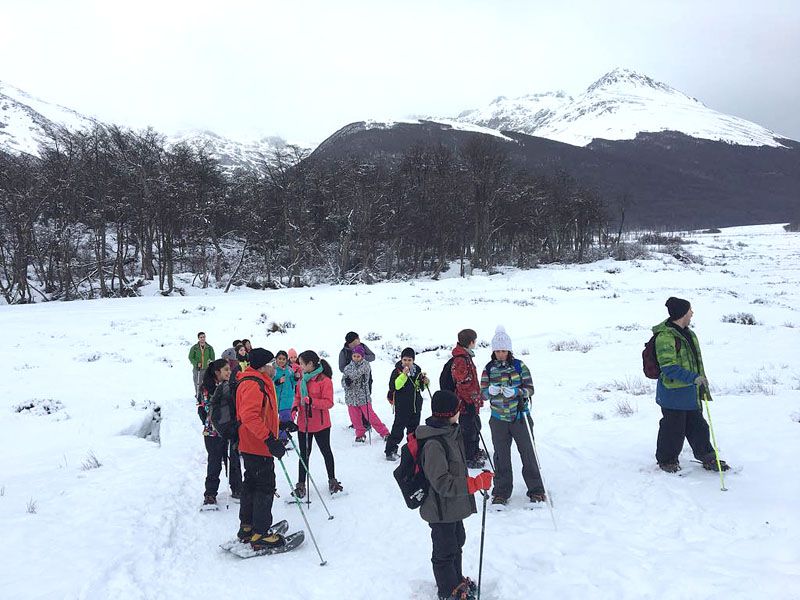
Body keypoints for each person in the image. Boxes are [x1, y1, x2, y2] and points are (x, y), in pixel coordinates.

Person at [417, 390, 493, 600]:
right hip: (439, 509)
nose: (460, 412)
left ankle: (456, 581)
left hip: (452, 506)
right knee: (444, 551)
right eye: (457, 409)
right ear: (449, 413)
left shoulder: (450, 432)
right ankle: (447, 591)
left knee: (457, 541)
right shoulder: (434, 444)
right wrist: (475, 484)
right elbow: (442, 483)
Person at [653, 297, 730, 473]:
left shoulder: (689, 333)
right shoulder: (665, 337)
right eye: (690, 310)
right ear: (682, 313)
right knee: (673, 429)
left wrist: (699, 382)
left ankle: (708, 457)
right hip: (673, 394)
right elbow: (669, 368)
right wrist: (694, 378)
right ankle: (667, 460)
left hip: (691, 392)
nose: (692, 313)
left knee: (699, 427)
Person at [480, 326, 545, 505]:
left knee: (528, 454)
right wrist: (489, 391)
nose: (501, 354)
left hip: (520, 417)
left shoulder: (519, 366)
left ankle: (537, 490)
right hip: (498, 418)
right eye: (498, 351)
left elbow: (530, 389)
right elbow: (482, 394)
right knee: (501, 456)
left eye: (504, 350)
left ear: (509, 350)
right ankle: (501, 492)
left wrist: (517, 392)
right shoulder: (489, 369)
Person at [235, 347, 287, 550]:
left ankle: (247, 527)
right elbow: (249, 416)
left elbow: (262, 413)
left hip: (253, 443)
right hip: (257, 444)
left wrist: (280, 425)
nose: (274, 367)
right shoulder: (254, 384)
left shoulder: (257, 381)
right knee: (264, 487)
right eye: (271, 364)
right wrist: (269, 439)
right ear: (262, 367)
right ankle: (260, 533)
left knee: (251, 485)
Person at [292, 350, 343, 496]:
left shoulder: (324, 380)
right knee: (304, 455)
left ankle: (332, 480)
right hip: (304, 424)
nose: (300, 367)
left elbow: (329, 403)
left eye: (302, 364)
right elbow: (297, 397)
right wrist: (294, 408)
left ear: (310, 364)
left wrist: (312, 401)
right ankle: (301, 484)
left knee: (326, 451)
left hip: (321, 424)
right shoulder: (302, 380)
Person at [197, 358, 240, 505]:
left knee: (233, 460)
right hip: (213, 432)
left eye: (229, 369)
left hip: (230, 429)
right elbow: (207, 407)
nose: (229, 372)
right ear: (217, 372)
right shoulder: (206, 388)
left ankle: (237, 488)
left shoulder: (231, 385)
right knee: (214, 462)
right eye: (226, 370)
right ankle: (210, 493)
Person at [385, 347, 429, 461]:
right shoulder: (397, 371)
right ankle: (390, 450)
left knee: (413, 430)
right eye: (404, 360)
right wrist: (404, 375)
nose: (407, 362)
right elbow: (395, 386)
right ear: (401, 360)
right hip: (402, 406)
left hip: (415, 406)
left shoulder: (417, 370)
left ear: (413, 360)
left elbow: (421, 387)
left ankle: (412, 449)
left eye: (409, 360)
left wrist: (425, 382)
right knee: (398, 429)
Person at [451, 329, 484, 469]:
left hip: (471, 401)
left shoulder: (466, 356)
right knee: (468, 430)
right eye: (474, 341)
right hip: (465, 403)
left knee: (476, 426)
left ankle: (475, 451)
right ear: (471, 342)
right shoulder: (461, 359)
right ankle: (468, 456)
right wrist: (469, 401)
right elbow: (462, 384)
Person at [342, 344, 390, 443]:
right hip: (351, 397)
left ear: (362, 356)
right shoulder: (347, 368)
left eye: (358, 356)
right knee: (355, 418)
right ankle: (360, 434)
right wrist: (346, 383)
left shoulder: (365, 365)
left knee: (370, 416)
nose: (356, 358)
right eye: (354, 356)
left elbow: (356, 374)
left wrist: (349, 378)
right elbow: (343, 381)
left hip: (363, 396)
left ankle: (384, 432)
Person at [273, 351, 297, 441]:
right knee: (275, 420)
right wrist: (277, 382)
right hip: (276, 398)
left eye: (284, 359)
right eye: (279, 359)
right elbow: (270, 383)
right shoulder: (273, 370)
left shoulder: (289, 370)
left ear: (287, 360)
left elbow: (293, 382)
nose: (281, 361)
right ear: (276, 359)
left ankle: (283, 438)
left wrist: (296, 378)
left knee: (285, 419)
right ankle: (276, 436)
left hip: (287, 399)